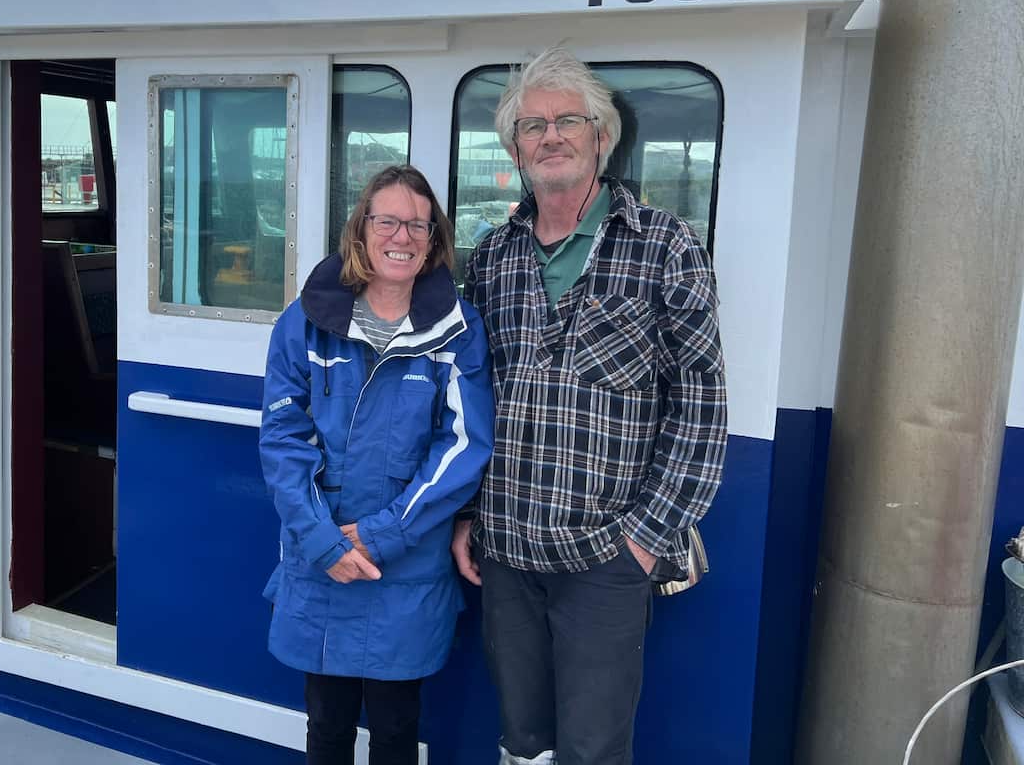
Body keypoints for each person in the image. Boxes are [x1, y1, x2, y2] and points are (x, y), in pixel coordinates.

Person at [452, 47, 728, 765]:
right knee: (523, 743)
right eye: (532, 126)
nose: (550, 136)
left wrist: (643, 538)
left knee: (593, 751)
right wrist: (466, 516)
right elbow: (467, 397)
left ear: (601, 136)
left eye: (567, 120)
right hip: (505, 549)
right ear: (515, 149)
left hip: (605, 556)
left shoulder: (665, 246)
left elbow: (700, 404)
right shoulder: (491, 257)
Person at [260, 164, 494, 765]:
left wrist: (379, 532)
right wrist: (324, 544)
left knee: (395, 730)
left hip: (404, 567)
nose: (403, 235)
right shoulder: (304, 324)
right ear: (361, 231)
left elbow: (464, 445)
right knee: (327, 723)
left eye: (418, 224)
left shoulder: (457, 331)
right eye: (387, 220)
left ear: (435, 240)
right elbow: (284, 441)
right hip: (322, 559)